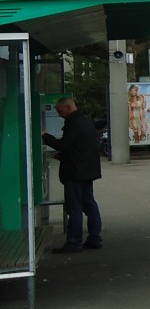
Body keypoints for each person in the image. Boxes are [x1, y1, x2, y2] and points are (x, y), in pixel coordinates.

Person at [42, 96, 103, 253]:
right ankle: (95, 238)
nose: (59, 114)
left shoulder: (73, 123)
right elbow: (81, 147)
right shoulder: (85, 121)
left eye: (60, 111)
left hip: (75, 172)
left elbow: (63, 145)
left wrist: (45, 136)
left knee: (74, 207)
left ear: (69, 108)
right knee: (89, 203)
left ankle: (74, 242)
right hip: (87, 170)